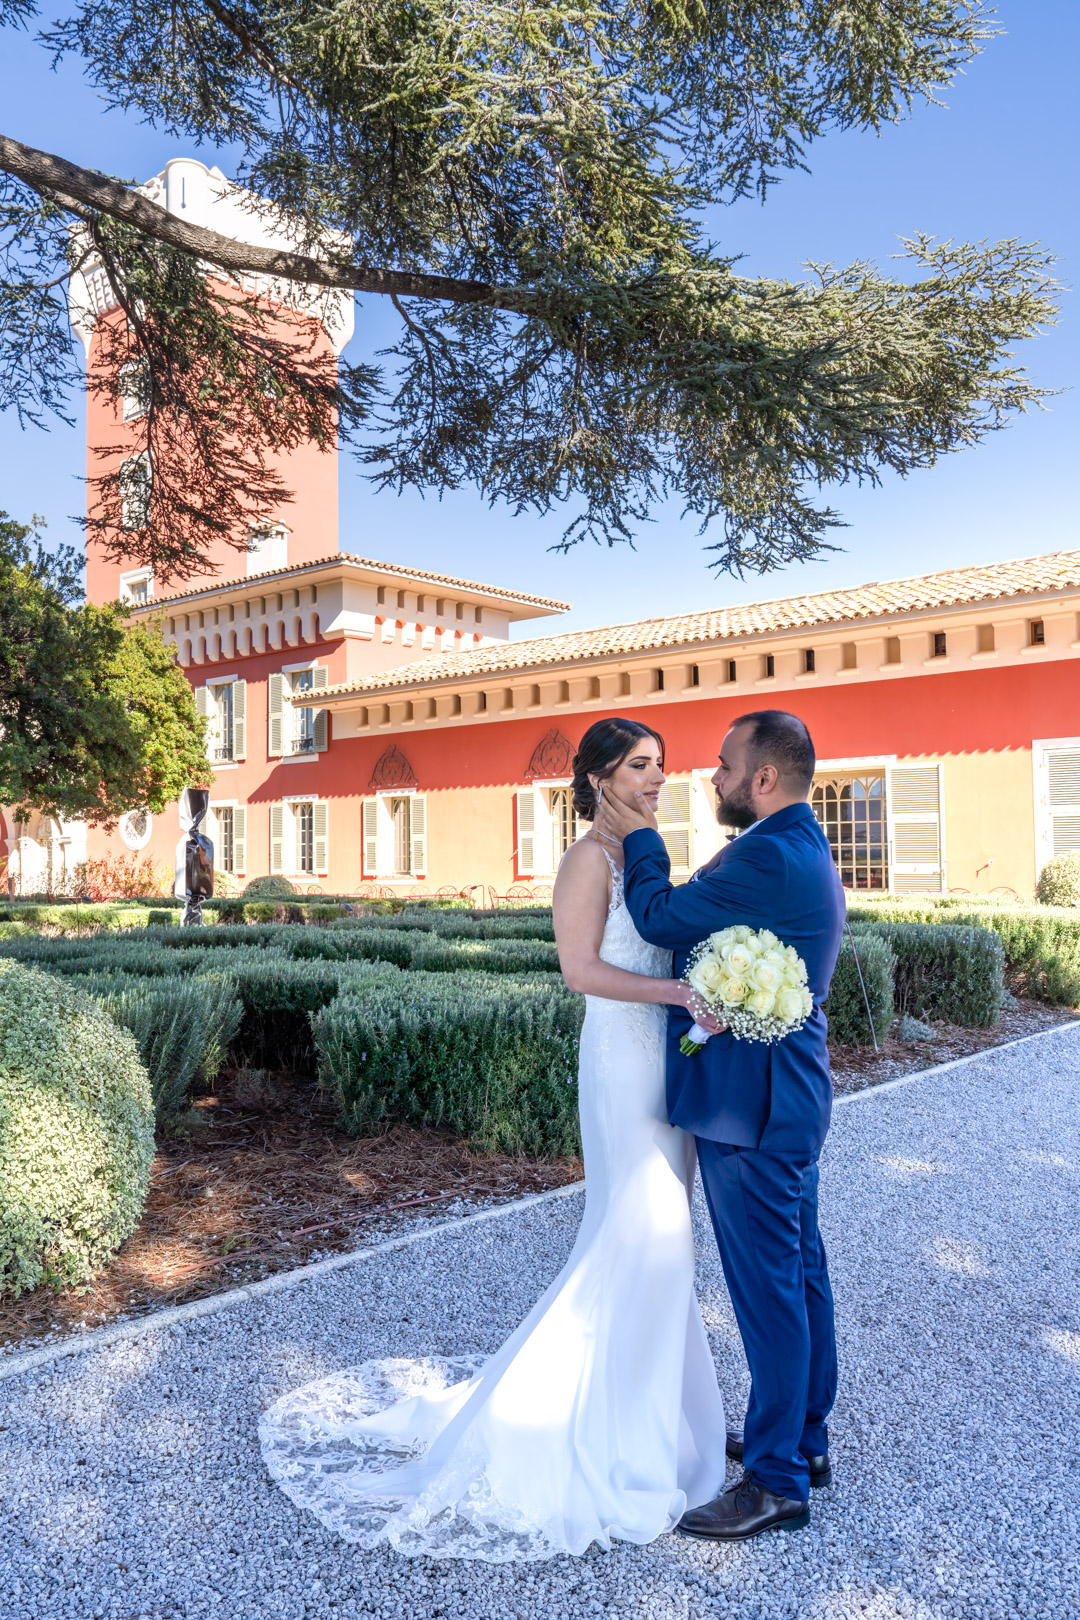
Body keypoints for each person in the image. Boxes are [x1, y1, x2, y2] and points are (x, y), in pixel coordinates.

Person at [258, 717, 728, 1561]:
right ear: (596, 779)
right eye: (640, 766)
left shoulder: (647, 853)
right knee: (641, 1230)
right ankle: (589, 1428)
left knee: (662, 1240)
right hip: (622, 1065)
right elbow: (580, 972)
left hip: (665, 1064)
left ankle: (647, 1416)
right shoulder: (589, 860)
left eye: (662, 765)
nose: (659, 778)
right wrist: (682, 997)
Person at [595, 709, 846, 1541]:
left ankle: (775, 1480)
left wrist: (639, 838)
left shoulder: (771, 850)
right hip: (790, 1095)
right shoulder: (800, 842)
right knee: (801, 1272)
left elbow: (664, 919)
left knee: (770, 1289)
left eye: (725, 766)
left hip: (754, 1105)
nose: (711, 776)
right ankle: (801, 1441)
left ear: (763, 780)